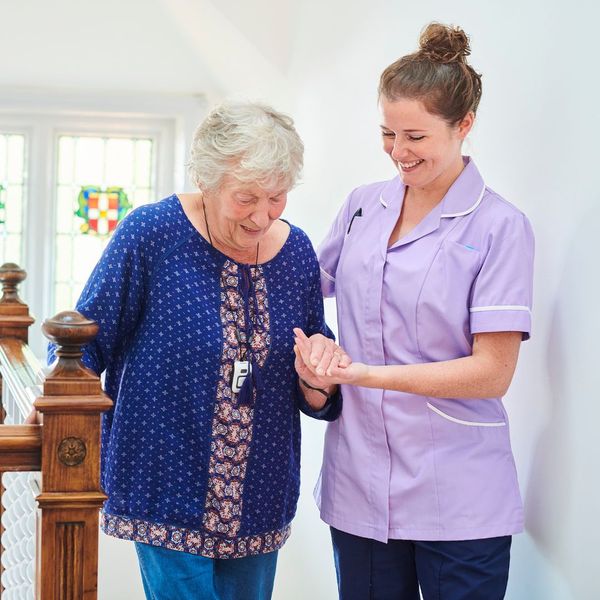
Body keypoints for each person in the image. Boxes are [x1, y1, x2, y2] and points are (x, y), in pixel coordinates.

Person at [63, 102, 344, 600]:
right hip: (163, 482)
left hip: (260, 491)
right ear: (207, 181)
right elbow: (83, 348)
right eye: (245, 198)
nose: (262, 215)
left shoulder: (297, 251)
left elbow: (314, 377)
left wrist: (319, 378)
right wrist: (68, 448)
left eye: (276, 197)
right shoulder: (151, 234)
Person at [293, 23, 534, 600]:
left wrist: (361, 375)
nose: (398, 151)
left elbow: (492, 373)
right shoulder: (361, 208)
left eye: (415, 136)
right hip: (360, 482)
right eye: (387, 133)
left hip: (459, 490)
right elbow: (299, 289)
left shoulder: (500, 226)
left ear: (464, 126)